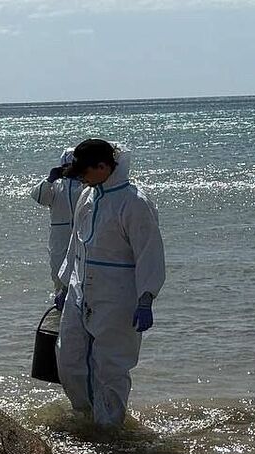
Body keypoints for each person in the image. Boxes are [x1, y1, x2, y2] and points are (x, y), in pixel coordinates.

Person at [53, 139, 165, 429]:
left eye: (84, 172)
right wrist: (65, 286)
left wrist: (146, 298)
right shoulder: (87, 197)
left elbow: (149, 253)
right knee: (69, 359)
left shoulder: (134, 202)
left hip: (118, 297)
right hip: (81, 290)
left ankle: (110, 430)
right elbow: (75, 244)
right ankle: (86, 416)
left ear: (103, 166)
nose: (81, 179)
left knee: (111, 367)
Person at [29, 148, 85, 292]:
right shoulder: (56, 186)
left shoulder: (87, 185)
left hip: (83, 234)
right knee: (59, 271)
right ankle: (60, 302)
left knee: (83, 271)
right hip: (60, 237)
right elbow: (39, 197)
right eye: (67, 166)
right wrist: (50, 179)